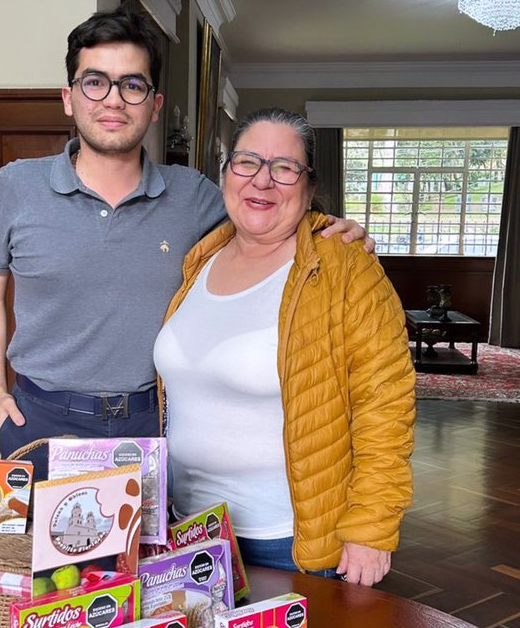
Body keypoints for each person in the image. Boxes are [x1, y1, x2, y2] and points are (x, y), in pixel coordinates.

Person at [0, 9, 371, 475]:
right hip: (39, 418)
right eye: (94, 82)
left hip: (154, 421)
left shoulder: (194, 195)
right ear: (69, 97)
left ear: (155, 104)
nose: (113, 100)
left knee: (149, 551)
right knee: (35, 550)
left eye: (132, 85)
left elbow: (268, 222)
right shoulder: (17, 186)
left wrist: (332, 230)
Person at [154, 107, 415, 585]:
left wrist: (372, 529)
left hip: (290, 542)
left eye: (285, 167)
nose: (262, 181)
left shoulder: (346, 268)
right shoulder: (201, 257)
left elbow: (386, 405)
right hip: (186, 534)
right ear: (227, 172)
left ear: (309, 186)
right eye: (247, 162)